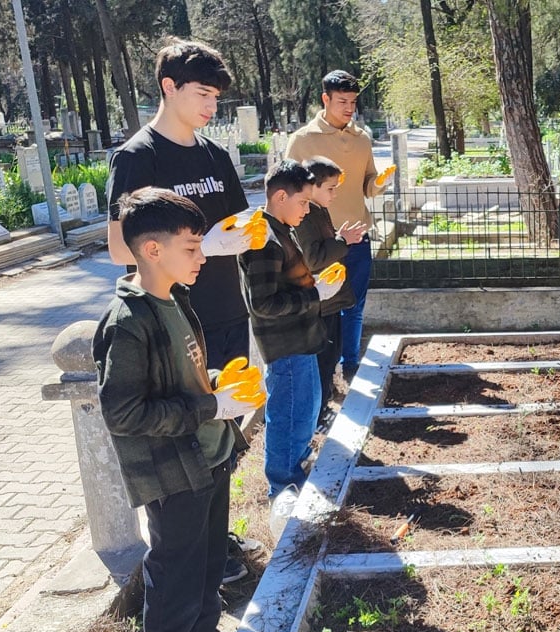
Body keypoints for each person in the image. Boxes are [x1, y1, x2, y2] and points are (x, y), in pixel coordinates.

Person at [93, 188, 261, 632]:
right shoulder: (128, 321)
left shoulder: (176, 298)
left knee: (210, 568)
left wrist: (213, 386)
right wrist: (208, 408)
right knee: (174, 586)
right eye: (191, 248)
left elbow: (183, 377)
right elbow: (123, 413)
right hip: (173, 473)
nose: (203, 257)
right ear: (150, 249)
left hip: (207, 459)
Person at [105, 38, 257, 585]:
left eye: (216, 96)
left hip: (222, 310)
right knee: (182, 433)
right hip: (169, 322)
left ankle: (218, 540)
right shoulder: (138, 157)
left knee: (225, 429)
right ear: (168, 88)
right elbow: (120, 249)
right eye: (202, 94)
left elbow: (238, 225)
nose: (211, 107)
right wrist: (204, 247)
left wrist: (243, 237)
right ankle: (174, 561)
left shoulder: (216, 157)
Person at [238, 160, 345, 522]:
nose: (307, 210)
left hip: (302, 339)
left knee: (305, 412)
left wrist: (315, 289)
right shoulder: (263, 240)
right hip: (285, 345)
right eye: (302, 203)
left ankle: (295, 472)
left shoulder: (279, 228)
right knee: (289, 416)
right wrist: (316, 295)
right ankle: (282, 489)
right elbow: (264, 304)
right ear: (280, 196)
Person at [284, 69, 394, 384]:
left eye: (353, 102)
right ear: (325, 99)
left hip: (357, 237)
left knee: (354, 304)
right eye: (342, 101)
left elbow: (368, 186)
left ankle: (349, 363)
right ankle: (323, 370)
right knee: (321, 306)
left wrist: (380, 182)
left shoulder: (362, 139)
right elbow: (289, 188)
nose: (349, 108)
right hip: (317, 242)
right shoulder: (302, 140)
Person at [296, 156, 367, 421]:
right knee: (322, 359)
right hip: (320, 300)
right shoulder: (305, 215)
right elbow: (313, 258)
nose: (334, 194)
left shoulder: (318, 210)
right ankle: (319, 413)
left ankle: (323, 405)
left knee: (330, 355)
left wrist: (341, 239)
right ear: (312, 186)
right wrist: (342, 241)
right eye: (330, 188)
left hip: (330, 300)